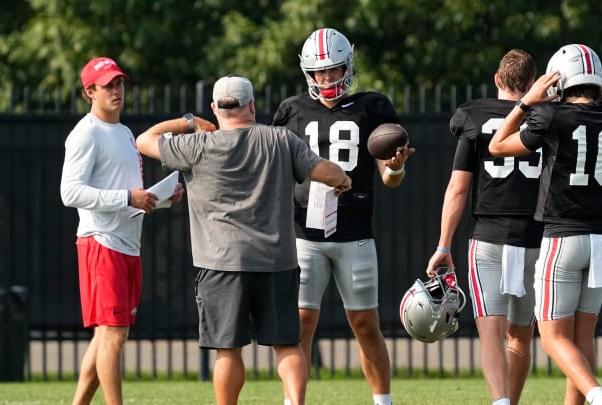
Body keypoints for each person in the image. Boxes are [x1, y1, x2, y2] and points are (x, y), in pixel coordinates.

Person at [136, 74, 351, 405]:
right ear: (251, 105)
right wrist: (342, 180)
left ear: (215, 108)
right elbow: (327, 172)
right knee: (288, 345)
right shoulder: (280, 140)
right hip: (277, 261)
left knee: (228, 349)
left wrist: (189, 122)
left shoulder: (196, 147)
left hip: (220, 264)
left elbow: (144, 139)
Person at [488, 44, 602, 405]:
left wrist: (525, 103)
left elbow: (497, 145)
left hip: (563, 237)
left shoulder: (550, 117)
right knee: (581, 338)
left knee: (554, 337)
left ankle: (601, 400)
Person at [272, 28, 414, 405]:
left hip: (354, 231)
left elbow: (390, 178)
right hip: (305, 231)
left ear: (347, 67)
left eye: (333, 70)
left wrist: (396, 167)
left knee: (365, 324)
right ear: (308, 73)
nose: (326, 79)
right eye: (319, 72)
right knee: (301, 323)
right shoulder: (291, 110)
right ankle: (293, 401)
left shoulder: (374, 107)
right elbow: (277, 171)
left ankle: (383, 401)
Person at [60, 57, 184, 405]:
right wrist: (128, 195)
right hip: (101, 243)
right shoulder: (85, 134)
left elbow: (131, 197)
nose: (116, 90)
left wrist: (161, 199)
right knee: (113, 333)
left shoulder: (125, 132)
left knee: (107, 335)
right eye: (107, 85)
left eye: (119, 83)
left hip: (127, 244)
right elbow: (69, 193)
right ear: (90, 92)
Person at [424, 49, 540, 405]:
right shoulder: (548, 116)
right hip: (536, 240)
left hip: (489, 237)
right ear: (532, 83)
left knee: (491, 334)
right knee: (520, 336)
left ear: (497, 81)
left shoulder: (473, 116)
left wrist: (444, 245)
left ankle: (500, 402)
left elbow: (458, 187)